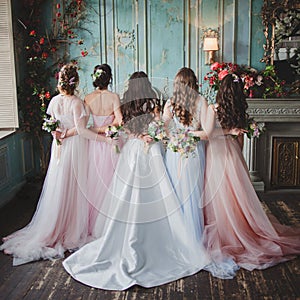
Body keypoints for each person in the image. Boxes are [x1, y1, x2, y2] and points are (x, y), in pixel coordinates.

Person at [62, 71, 212, 290]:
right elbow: (160, 126)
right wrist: (150, 136)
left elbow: (124, 127)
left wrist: (139, 136)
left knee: (128, 193)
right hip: (151, 149)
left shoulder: (125, 102)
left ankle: (130, 235)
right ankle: (162, 237)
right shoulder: (155, 101)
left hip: (133, 150)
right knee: (158, 193)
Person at [0, 63, 113, 266]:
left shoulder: (53, 101)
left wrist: (58, 135)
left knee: (59, 183)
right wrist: (104, 140)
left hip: (59, 146)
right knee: (74, 185)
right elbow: (82, 130)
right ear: (76, 82)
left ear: (60, 82)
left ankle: (55, 222)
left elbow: (51, 125)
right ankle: (69, 226)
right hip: (73, 148)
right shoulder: (78, 103)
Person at [202, 73, 300, 271]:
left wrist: (228, 134)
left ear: (221, 91)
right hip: (233, 154)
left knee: (220, 196)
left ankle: (227, 230)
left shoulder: (214, 109)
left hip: (217, 155)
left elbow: (208, 135)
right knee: (235, 196)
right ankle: (238, 227)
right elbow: (240, 140)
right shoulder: (240, 111)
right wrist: (241, 161)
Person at [84, 64, 123, 235]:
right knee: (111, 181)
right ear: (109, 78)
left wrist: (97, 129)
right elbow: (119, 121)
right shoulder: (114, 97)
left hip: (94, 142)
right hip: (110, 141)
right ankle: (111, 222)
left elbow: (85, 125)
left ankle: (94, 223)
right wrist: (107, 129)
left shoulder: (87, 98)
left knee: (95, 180)